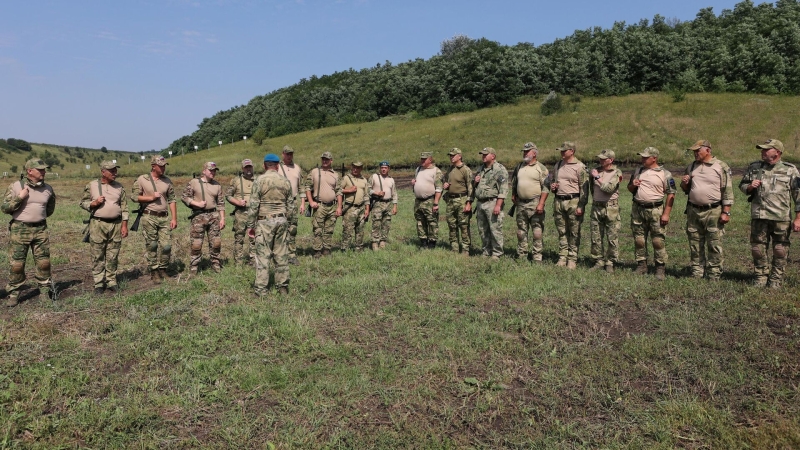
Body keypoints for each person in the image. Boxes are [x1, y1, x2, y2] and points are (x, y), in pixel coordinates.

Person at [739, 139, 800, 288]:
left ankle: (775, 279)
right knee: (758, 249)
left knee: (780, 249)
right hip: (760, 216)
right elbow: (742, 185)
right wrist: (750, 187)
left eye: (766, 149)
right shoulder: (754, 167)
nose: (763, 152)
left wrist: (798, 218)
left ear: (777, 152)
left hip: (781, 218)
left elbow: (798, 195)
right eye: (762, 149)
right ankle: (760, 277)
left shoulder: (790, 170)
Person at [1, 158, 56, 307]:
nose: (44, 172)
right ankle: (14, 294)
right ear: (29, 171)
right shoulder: (16, 186)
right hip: (20, 229)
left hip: (40, 229)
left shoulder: (48, 189)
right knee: (17, 264)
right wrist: (19, 198)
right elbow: (5, 208)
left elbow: (49, 209)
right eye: (40, 169)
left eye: (44, 169)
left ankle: (44, 292)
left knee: (44, 263)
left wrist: (37, 218)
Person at [680, 140, 733, 281]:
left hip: (713, 210)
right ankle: (697, 272)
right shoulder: (691, 166)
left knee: (714, 243)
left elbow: (727, 191)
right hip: (693, 210)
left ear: (708, 151)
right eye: (694, 151)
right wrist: (684, 183)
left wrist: (726, 212)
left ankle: (714, 274)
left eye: (698, 151)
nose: (695, 153)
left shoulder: (720, 166)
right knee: (695, 242)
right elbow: (686, 189)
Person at [79, 161, 129, 294]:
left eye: (115, 170)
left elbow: (124, 208)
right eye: (111, 171)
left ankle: (111, 280)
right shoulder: (92, 185)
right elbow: (82, 202)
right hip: (98, 224)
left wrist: (125, 225)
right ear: (103, 172)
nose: (115, 173)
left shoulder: (119, 187)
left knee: (113, 254)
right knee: (97, 254)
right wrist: (93, 203)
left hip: (116, 225)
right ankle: (99, 282)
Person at [627, 147, 676, 280]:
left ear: (654, 158)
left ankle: (660, 268)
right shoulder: (638, 171)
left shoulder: (665, 174)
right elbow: (630, 188)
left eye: (645, 157)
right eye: (642, 157)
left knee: (657, 240)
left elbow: (671, 194)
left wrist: (666, 214)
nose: (642, 159)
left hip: (656, 210)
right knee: (639, 239)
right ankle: (641, 265)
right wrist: (633, 185)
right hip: (638, 209)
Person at [247, 154, 292, 296]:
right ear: (278, 166)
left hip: (264, 221)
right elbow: (291, 205)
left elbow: (254, 205)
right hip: (281, 220)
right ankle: (282, 287)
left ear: (264, 165)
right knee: (281, 254)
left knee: (263, 255)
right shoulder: (285, 181)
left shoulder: (259, 180)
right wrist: (290, 222)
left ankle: (261, 289)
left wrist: (250, 225)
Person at [132, 155, 178, 283]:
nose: (163, 168)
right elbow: (134, 197)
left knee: (167, 246)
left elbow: (172, 199)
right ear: (153, 166)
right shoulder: (142, 179)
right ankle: (154, 271)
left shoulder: (167, 181)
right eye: (161, 166)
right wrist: (151, 198)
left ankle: (163, 269)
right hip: (149, 216)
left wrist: (174, 218)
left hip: (164, 218)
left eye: (164, 166)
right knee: (152, 245)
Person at [550, 141, 589, 269]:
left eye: (564, 150)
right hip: (559, 201)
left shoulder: (580, 167)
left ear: (572, 151)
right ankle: (562, 257)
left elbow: (584, 189)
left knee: (574, 231)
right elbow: (553, 182)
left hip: (573, 201)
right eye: (561, 150)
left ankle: (572, 258)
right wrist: (553, 187)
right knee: (562, 231)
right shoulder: (558, 165)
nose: (561, 152)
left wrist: (581, 205)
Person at [182, 162, 225, 275]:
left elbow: (221, 203)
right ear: (204, 171)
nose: (213, 172)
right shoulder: (194, 182)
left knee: (216, 243)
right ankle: (194, 267)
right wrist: (196, 203)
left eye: (214, 170)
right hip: (198, 217)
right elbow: (184, 197)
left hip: (213, 216)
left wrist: (222, 218)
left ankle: (216, 265)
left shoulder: (217, 185)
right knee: (196, 244)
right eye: (210, 170)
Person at [510, 142, 549, 262]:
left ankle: (537, 256)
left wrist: (541, 203)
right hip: (521, 204)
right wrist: (513, 194)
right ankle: (522, 255)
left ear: (534, 153)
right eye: (524, 151)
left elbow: (546, 187)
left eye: (527, 151)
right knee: (521, 231)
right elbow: (515, 182)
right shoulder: (519, 167)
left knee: (537, 231)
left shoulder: (541, 168)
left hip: (535, 203)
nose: (525, 153)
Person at [588, 149, 623, 273]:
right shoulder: (596, 171)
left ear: (611, 160)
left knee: (612, 236)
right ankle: (598, 260)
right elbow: (592, 189)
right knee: (596, 236)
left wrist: (597, 177)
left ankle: (610, 262)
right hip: (596, 207)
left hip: (611, 208)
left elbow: (608, 188)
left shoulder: (616, 172)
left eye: (604, 158)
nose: (600, 160)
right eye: (600, 158)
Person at [472, 147, 509, 260]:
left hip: (492, 202)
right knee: (482, 229)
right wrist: (475, 182)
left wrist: (498, 205)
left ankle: (497, 253)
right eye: (482, 154)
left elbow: (503, 189)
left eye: (485, 154)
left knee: (495, 228)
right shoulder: (481, 169)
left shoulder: (499, 169)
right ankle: (486, 251)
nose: (483, 156)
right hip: (480, 203)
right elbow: (475, 186)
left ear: (493, 156)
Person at [304, 152, 341, 258]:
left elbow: (339, 191)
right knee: (318, 230)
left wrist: (339, 207)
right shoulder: (315, 172)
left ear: (331, 161)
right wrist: (311, 202)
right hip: (319, 206)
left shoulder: (335, 174)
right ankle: (317, 251)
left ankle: (327, 249)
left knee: (329, 230)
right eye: (323, 159)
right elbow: (307, 187)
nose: (324, 161)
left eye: (327, 159)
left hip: (332, 206)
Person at [443, 148, 473, 254]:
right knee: (451, 225)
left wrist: (469, 202)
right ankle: (454, 248)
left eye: (453, 155)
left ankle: (465, 249)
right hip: (450, 200)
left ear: (459, 156)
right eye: (450, 155)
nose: (451, 157)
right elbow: (446, 182)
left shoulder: (465, 170)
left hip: (462, 200)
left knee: (464, 225)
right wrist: (445, 185)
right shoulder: (450, 169)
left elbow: (470, 187)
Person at [279, 146, 305, 265]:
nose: (289, 156)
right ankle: (279, 254)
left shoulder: (297, 168)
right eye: (287, 154)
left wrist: (303, 203)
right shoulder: (277, 167)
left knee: (292, 228)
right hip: (279, 202)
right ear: (283, 154)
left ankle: (292, 254)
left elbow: (301, 187)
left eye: (291, 154)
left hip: (292, 202)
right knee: (278, 227)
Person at [226, 159, 255, 266]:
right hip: (241, 213)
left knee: (254, 237)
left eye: (250, 167)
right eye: (246, 167)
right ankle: (238, 261)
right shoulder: (236, 181)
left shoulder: (258, 180)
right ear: (242, 168)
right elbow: (228, 196)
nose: (248, 169)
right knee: (239, 238)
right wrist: (237, 202)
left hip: (254, 213)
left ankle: (253, 260)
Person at [411, 152, 443, 248]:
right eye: (421, 159)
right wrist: (414, 183)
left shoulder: (436, 171)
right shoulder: (418, 169)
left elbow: (439, 188)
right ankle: (423, 241)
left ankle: (432, 242)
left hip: (429, 200)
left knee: (432, 222)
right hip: (418, 201)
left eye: (424, 159)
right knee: (420, 221)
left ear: (430, 160)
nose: (422, 161)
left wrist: (436, 203)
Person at [338, 161, 371, 251]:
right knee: (348, 229)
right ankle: (345, 248)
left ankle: (359, 247)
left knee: (360, 229)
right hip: (350, 208)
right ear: (351, 167)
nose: (355, 169)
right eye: (354, 167)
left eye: (358, 168)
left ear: (361, 169)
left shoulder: (364, 179)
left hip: (361, 207)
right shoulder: (346, 178)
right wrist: (349, 191)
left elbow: (366, 195)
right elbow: (338, 190)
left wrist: (367, 209)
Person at [369, 161, 398, 250]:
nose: (383, 169)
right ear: (380, 168)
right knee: (376, 223)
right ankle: (374, 243)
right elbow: (367, 189)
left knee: (386, 223)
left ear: (388, 168)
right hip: (378, 203)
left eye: (385, 168)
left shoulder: (391, 179)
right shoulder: (374, 177)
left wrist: (395, 206)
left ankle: (382, 241)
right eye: (382, 167)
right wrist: (376, 193)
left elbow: (394, 193)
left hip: (388, 203)